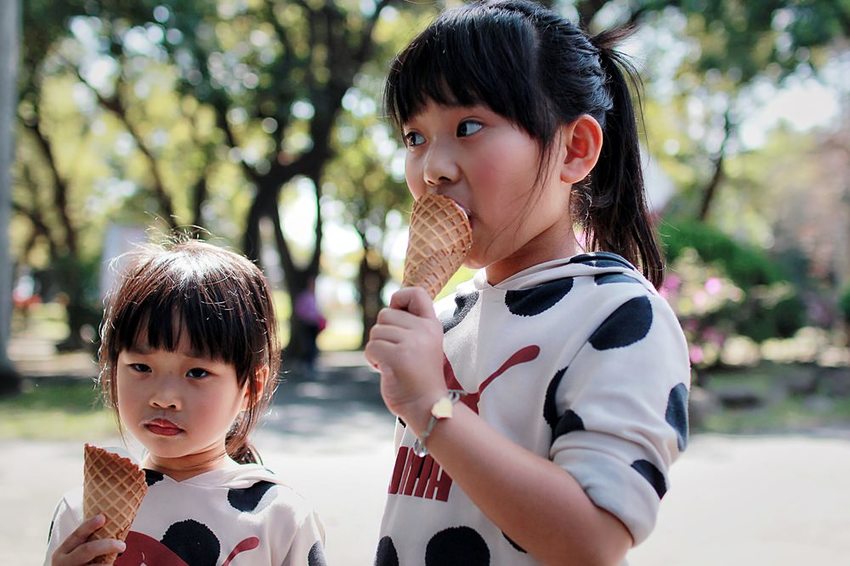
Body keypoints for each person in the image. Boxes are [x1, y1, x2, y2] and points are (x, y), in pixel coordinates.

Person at [364, 1, 691, 564]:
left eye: (468, 127)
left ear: (575, 148)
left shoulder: (618, 315)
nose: (432, 168)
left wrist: (433, 407)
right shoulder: (449, 317)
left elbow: (594, 539)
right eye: (414, 137)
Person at [45, 238, 326, 566]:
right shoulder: (82, 516)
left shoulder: (280, 519)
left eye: (196, 372)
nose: (164, 397)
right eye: (141, 367)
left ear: (252, 386)